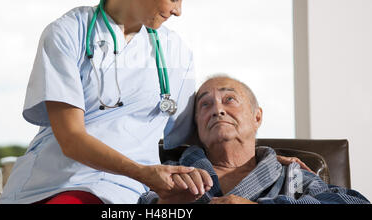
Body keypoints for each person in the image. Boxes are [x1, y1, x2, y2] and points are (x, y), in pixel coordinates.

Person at [0, 0, 203, 204]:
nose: (178, 11)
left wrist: (265, 160)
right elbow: (70, 138)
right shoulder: (69, 33)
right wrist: (142, 172)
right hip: (62, 181)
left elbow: (190, 132)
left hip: (130, 192)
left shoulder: (174, 50)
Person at [139, 75, 370, 204]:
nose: (217, 109)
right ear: (197, 125)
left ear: (257, 116)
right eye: (205, 104)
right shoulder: (171, 173)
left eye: (229, 99)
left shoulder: (290, 175)